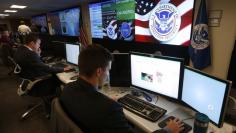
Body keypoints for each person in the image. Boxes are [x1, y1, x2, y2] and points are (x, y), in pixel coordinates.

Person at [60, 44, 184, 133]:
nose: (108, 74)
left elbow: (88, 99)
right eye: (108, 70)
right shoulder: (110, 110)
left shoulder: (67, 90)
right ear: (99, 71)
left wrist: (105, 100)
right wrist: (168, 130)